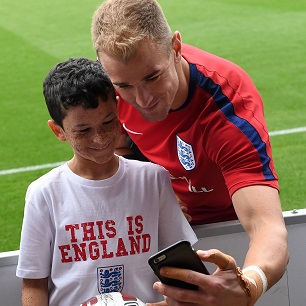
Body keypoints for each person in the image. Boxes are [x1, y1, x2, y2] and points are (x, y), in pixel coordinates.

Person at [91, 0, 289, 305]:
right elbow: (120, 149)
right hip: (160, 236)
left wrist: (250, 285)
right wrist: (155, 193)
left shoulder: (226, 108)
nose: (141, 100)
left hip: (226, 238)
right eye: (124, 86)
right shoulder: (111, 91)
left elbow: (266, 225)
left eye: (152, 78)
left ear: (175, 47)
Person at [16, 57, 198, 306]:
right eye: (83, 130)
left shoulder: (153, 180)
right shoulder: (43, 193)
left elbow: (181, 271)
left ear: (119, 109)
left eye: (108, 122)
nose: (100, 138)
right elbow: (34, 283)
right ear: (58, 130)